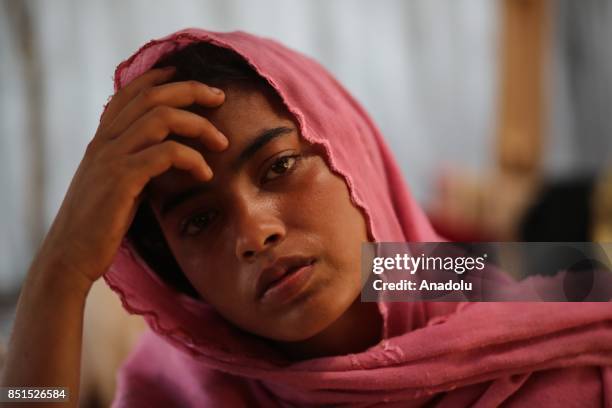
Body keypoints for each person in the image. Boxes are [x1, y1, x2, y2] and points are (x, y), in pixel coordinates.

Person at [2, 28, 611, 407]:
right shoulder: (181, 387)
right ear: (181, 277)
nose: (255, 231)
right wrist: (61, 269)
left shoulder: (432, 273)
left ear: (349, 148)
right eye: (198, 221)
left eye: (280, 166)